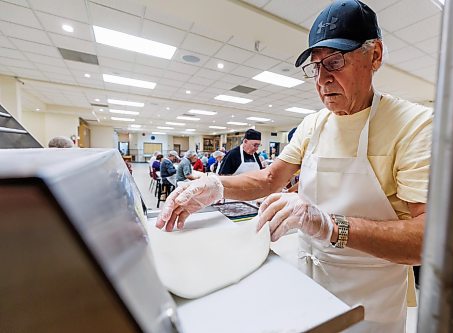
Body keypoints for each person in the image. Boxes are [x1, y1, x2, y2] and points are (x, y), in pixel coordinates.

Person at [157, 1, 432, 331]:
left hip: (371, 298)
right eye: (316, 67)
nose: (323, 79)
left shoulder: (414, 126)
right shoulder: (313, 124)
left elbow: (425, 240)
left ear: (374, 56)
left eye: (335, 62)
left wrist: (328, 224)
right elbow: (271, 178)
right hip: (309, 283)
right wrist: (217, 186)